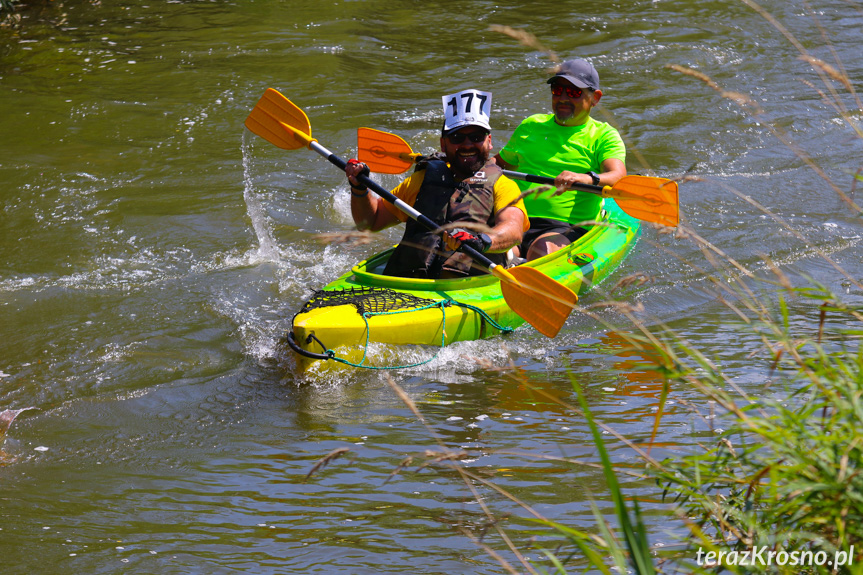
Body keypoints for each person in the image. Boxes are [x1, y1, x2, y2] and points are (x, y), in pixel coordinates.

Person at [345, 89, 529, 279]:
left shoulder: (502, 185)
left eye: (476, 137)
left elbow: (513, 230)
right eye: (457, 138)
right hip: (408, 282)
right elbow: (371, 222)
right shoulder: (422, 180)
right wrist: (360, 188)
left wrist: (481, 241)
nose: (467, 145)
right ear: (443, 144)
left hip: (465, 285)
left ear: (489, 141)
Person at [495, 58, 627, 260]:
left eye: (573, 92)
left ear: (595, 98)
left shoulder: (604, 135)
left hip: (567, 227)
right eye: (557, 90)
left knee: (542, 251)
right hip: (516, 219)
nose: (563, 98)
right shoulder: (531, 126)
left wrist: (585, 178)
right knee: (491, 252)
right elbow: (498, 165)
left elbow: (618, 177)